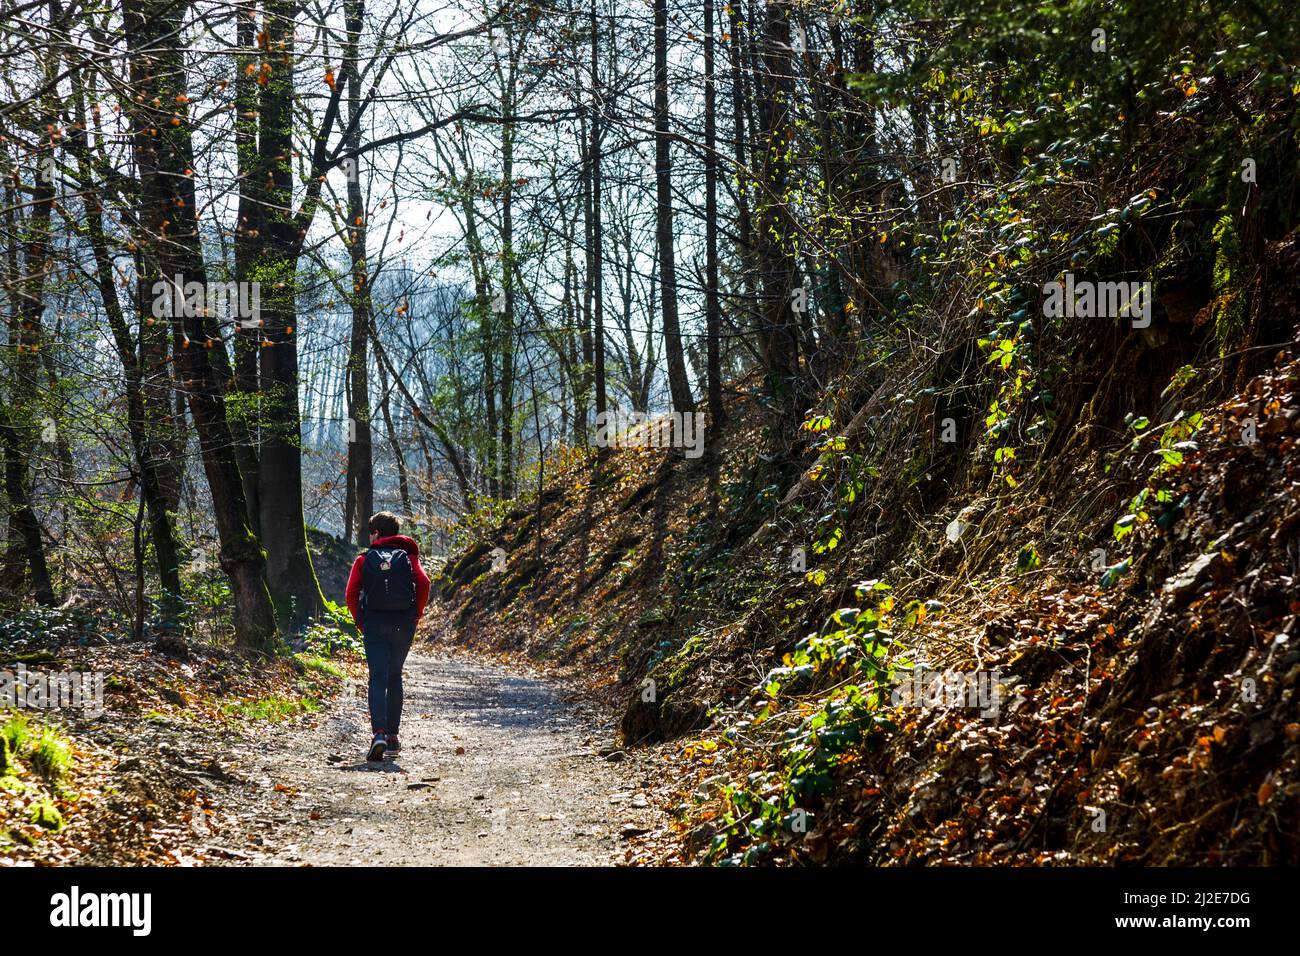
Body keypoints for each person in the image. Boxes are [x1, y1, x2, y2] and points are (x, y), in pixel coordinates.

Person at [345, 511, 430, 761]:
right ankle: (393, 737)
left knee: (377, 678)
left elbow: (351, 593)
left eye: (371, 532)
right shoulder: (408, 556)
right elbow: (423, 583)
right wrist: (416, 613)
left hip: (374, 622)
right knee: (394, 676)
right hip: (403, 623)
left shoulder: (364, 559)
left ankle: (379, 734)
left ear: (376, 533)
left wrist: (360, 621)